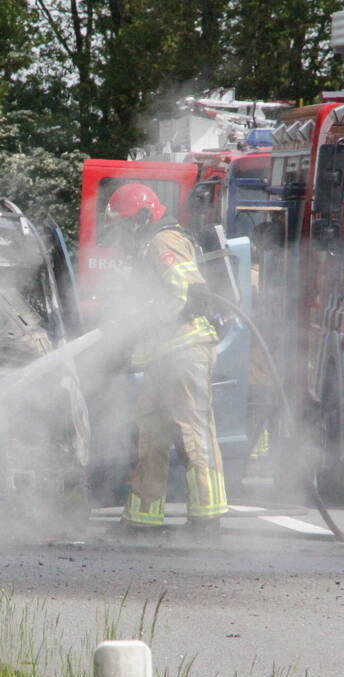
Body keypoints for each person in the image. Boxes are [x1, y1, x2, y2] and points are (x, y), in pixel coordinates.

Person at [106, 182, 228, 535]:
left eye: (127, 224)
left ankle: (208, 517)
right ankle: (143, 517)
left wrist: (144, 319)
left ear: (144, 215)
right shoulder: (148, 245)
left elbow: (189, 292)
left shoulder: (164, 241)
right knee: (150, 430)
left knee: (191, 430)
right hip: (164, 354)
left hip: (186, 350)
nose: (125, 233)